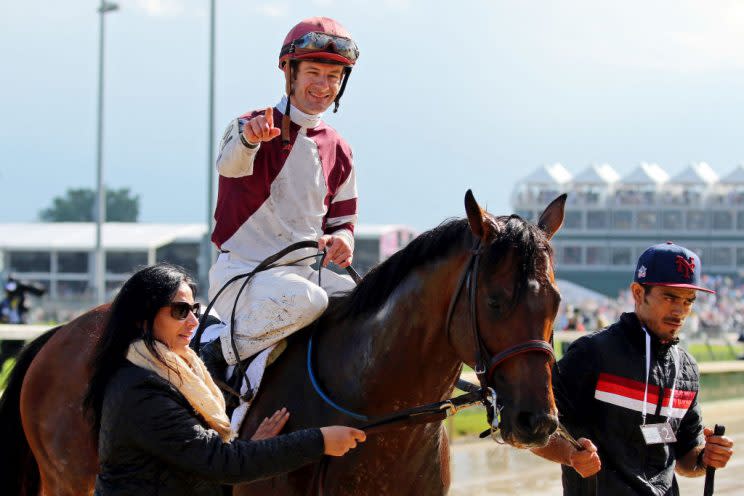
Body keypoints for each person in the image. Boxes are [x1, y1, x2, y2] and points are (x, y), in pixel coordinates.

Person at [83, 263, 365, 496]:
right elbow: (221, 463)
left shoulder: (170, 372)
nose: (193, 321)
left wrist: (253, 449)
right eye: (180, 311)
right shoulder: (142, 390)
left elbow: (203, 462)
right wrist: (320, 441)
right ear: (142, 319)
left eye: (194, 310)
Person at [201, 16, 361, 377]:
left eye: (333, 77)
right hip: (244, 276)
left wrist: (342, 241)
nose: (323, 85)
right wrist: (251, 139)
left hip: (303, 276)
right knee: (310, 300)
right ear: (290, 73)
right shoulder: (251, 123)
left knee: (368, 301)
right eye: (314, 73)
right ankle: (212, 356)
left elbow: (343, 221)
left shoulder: (341, 148)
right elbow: (228, 165)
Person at [532, 242, 734, 495]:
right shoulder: (592, 353)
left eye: (688, 301)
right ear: (638, 293)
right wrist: (572, 455)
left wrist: (707, 458)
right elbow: (535, 428)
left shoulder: (687, 369)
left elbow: (686, 459)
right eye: (669, 297)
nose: (679, 310)